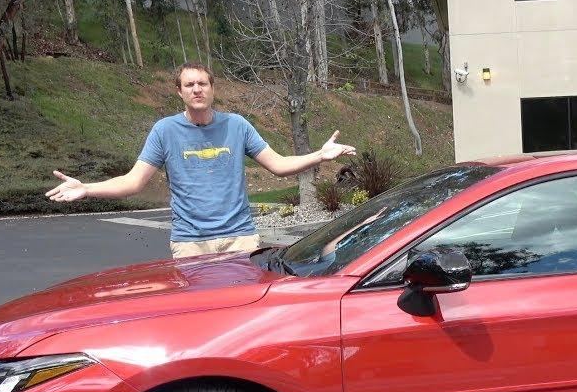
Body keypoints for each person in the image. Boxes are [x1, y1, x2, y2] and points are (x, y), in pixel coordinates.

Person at [44, 62, 356, 258]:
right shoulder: (164, 131)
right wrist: (87, 188)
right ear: (179, 92)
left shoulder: (237, 125)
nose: (197, 89)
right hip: (190, 243)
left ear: (212, 89)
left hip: (239, 240)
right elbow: (133, 182)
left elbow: (278, 165)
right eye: (189, 84)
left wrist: (319, 155)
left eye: (202, 83)